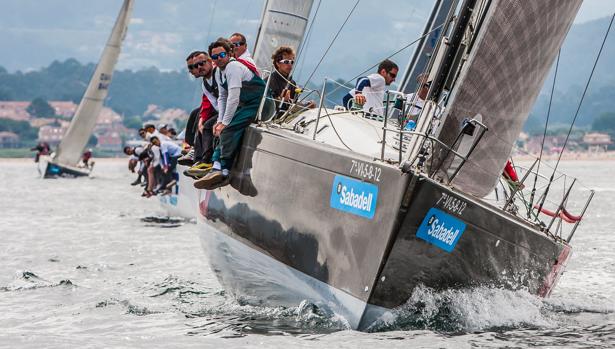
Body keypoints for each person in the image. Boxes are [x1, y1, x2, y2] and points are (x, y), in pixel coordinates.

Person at [193, 38, 266, 190]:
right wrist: (219, 121)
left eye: (221, 55)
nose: (218, 59)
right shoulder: (219, 72)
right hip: (244, 104)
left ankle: (223, 170)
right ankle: (218, 167)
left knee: (228, 129)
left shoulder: (233, 67)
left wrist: (224, 123)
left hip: (258, 103)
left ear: (229, 53)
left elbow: (233, 97)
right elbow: (222, 97)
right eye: (214, 57)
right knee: (220, 129)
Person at [180, 51, 220, 179]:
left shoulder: (218, 74)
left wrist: (205, 118)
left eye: (197, 65)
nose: (194, 70)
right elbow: (208, 101)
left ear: (209, 61)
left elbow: (219, 100)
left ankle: (204, 159)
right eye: (192, 67)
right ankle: (194, 151)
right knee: (196, 115)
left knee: (205, 123)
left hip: (226, 109)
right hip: (219, 108)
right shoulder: (205, 82)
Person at [266, 46, 315, 119]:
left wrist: (306, 106)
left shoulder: (292, 83)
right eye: (286, 62)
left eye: (292, 62)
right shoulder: (268, 81)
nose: (290, 64)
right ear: (277, 63)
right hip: (270, 120)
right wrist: (281, 99)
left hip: (284, 121)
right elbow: (265, 105)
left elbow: (292, 105)